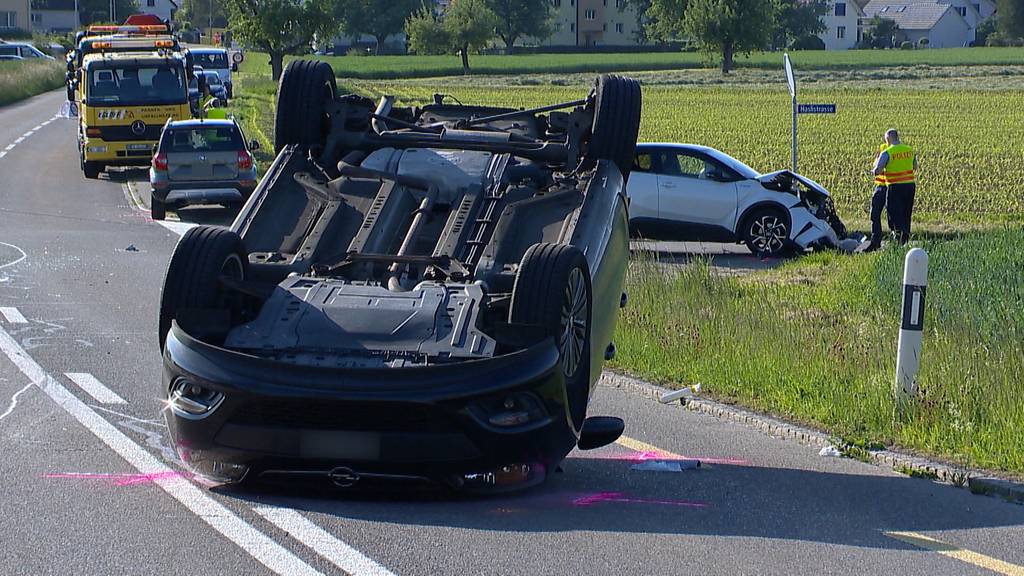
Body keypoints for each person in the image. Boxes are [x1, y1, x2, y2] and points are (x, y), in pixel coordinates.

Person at [872, 129, 917, 244]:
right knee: (906, 213)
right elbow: (915, 167)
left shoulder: (887, 152)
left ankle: (897, 239)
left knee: (893, 213)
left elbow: (878, 170)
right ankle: (905, 240)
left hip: (895, 187)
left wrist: (873, 170)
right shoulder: (909, 150)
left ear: (888, 139)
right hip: (910, 186)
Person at [865, 141, 889, 252]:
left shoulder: (888, 151)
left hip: (886, 187)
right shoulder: (885, 149)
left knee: (878, 215)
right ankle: (876, 242)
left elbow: (877, 168)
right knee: (875, 214)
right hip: (884, 186)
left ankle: (876, 242)